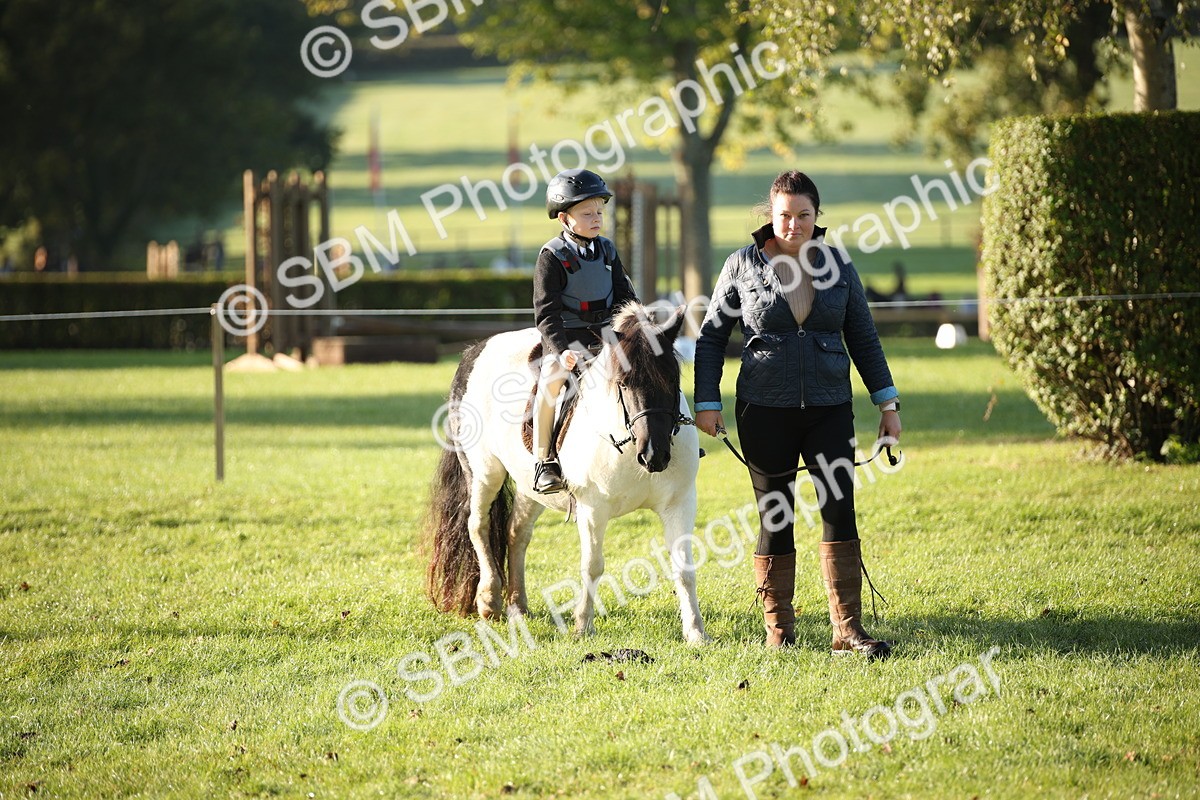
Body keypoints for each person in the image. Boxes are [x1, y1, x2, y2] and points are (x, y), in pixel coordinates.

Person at [693, 170, 902, 659]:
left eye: (803, 215)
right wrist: (706, 402)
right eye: (784, 216)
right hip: (763, 410)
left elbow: (864, 338)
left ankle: (847, 631)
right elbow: (710, 338)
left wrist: (887, 404)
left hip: (830, 409)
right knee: (776, 515)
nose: (793, 225)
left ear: (816, 216)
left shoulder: (838, 264)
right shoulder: (742, 265)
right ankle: (779, 632)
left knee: (838, 508)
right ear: (771, 215)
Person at [532, 168, 638, 493]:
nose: (596, 219)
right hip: (568, 339)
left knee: (650, 369)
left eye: (599, 212)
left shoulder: (607, 250)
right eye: (587, 213)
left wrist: (639, 331)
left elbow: (626, 298)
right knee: (550, 384)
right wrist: (561, 350)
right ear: (564, 219)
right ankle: (543, 462)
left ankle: (660, 436)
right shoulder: (552, 257)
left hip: (608, 336)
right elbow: (546, 314)